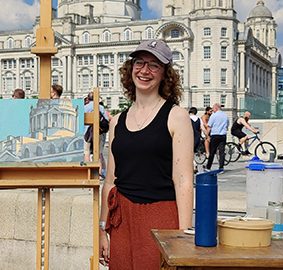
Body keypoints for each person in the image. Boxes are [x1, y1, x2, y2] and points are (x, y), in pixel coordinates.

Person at [99, 39, 193, 269]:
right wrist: (102, 228)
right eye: (139, 63)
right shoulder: (117, 121)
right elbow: (110, 180)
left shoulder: (176, 116)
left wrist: (183, 236)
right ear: (130, 69)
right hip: (121, 219)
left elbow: (183, 181)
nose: (144, 70)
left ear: (165, 74)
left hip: (160, 217)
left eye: (154, 65)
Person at [84, 91, 109, 178]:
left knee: (86, 152)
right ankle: (99, 173)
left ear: (88, 99)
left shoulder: (85, 107)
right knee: (99, 153)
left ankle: (87, 172)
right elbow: (106, 119)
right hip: (99, 132)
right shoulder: (100, 107)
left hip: (86, 133)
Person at [206, 103, 229, 171]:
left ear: (216, 108)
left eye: (213, 109)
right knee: (222, 152)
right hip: (223, 135)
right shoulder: (225, 116)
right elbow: (227, 127)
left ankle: (208, 167)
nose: (213, 110)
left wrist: (207, 136)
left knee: (212, 152)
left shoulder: (213, 116)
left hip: (215, 135)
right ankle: (221, 167)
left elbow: (209, 126)